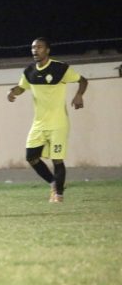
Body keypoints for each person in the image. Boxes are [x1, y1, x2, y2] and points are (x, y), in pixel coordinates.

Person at [7, 38, 88, 203]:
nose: (35, 50)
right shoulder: (29, 71)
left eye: (39, 47)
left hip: (58, 123)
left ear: (47, 50)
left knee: (57, 159)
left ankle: (58, 195)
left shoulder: (60, 68)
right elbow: (22, 87)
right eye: (33, 47)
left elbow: (83, 80)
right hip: (39, 124)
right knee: (31, 157)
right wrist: (13, 92)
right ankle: (53, 183)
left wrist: (79, 95)